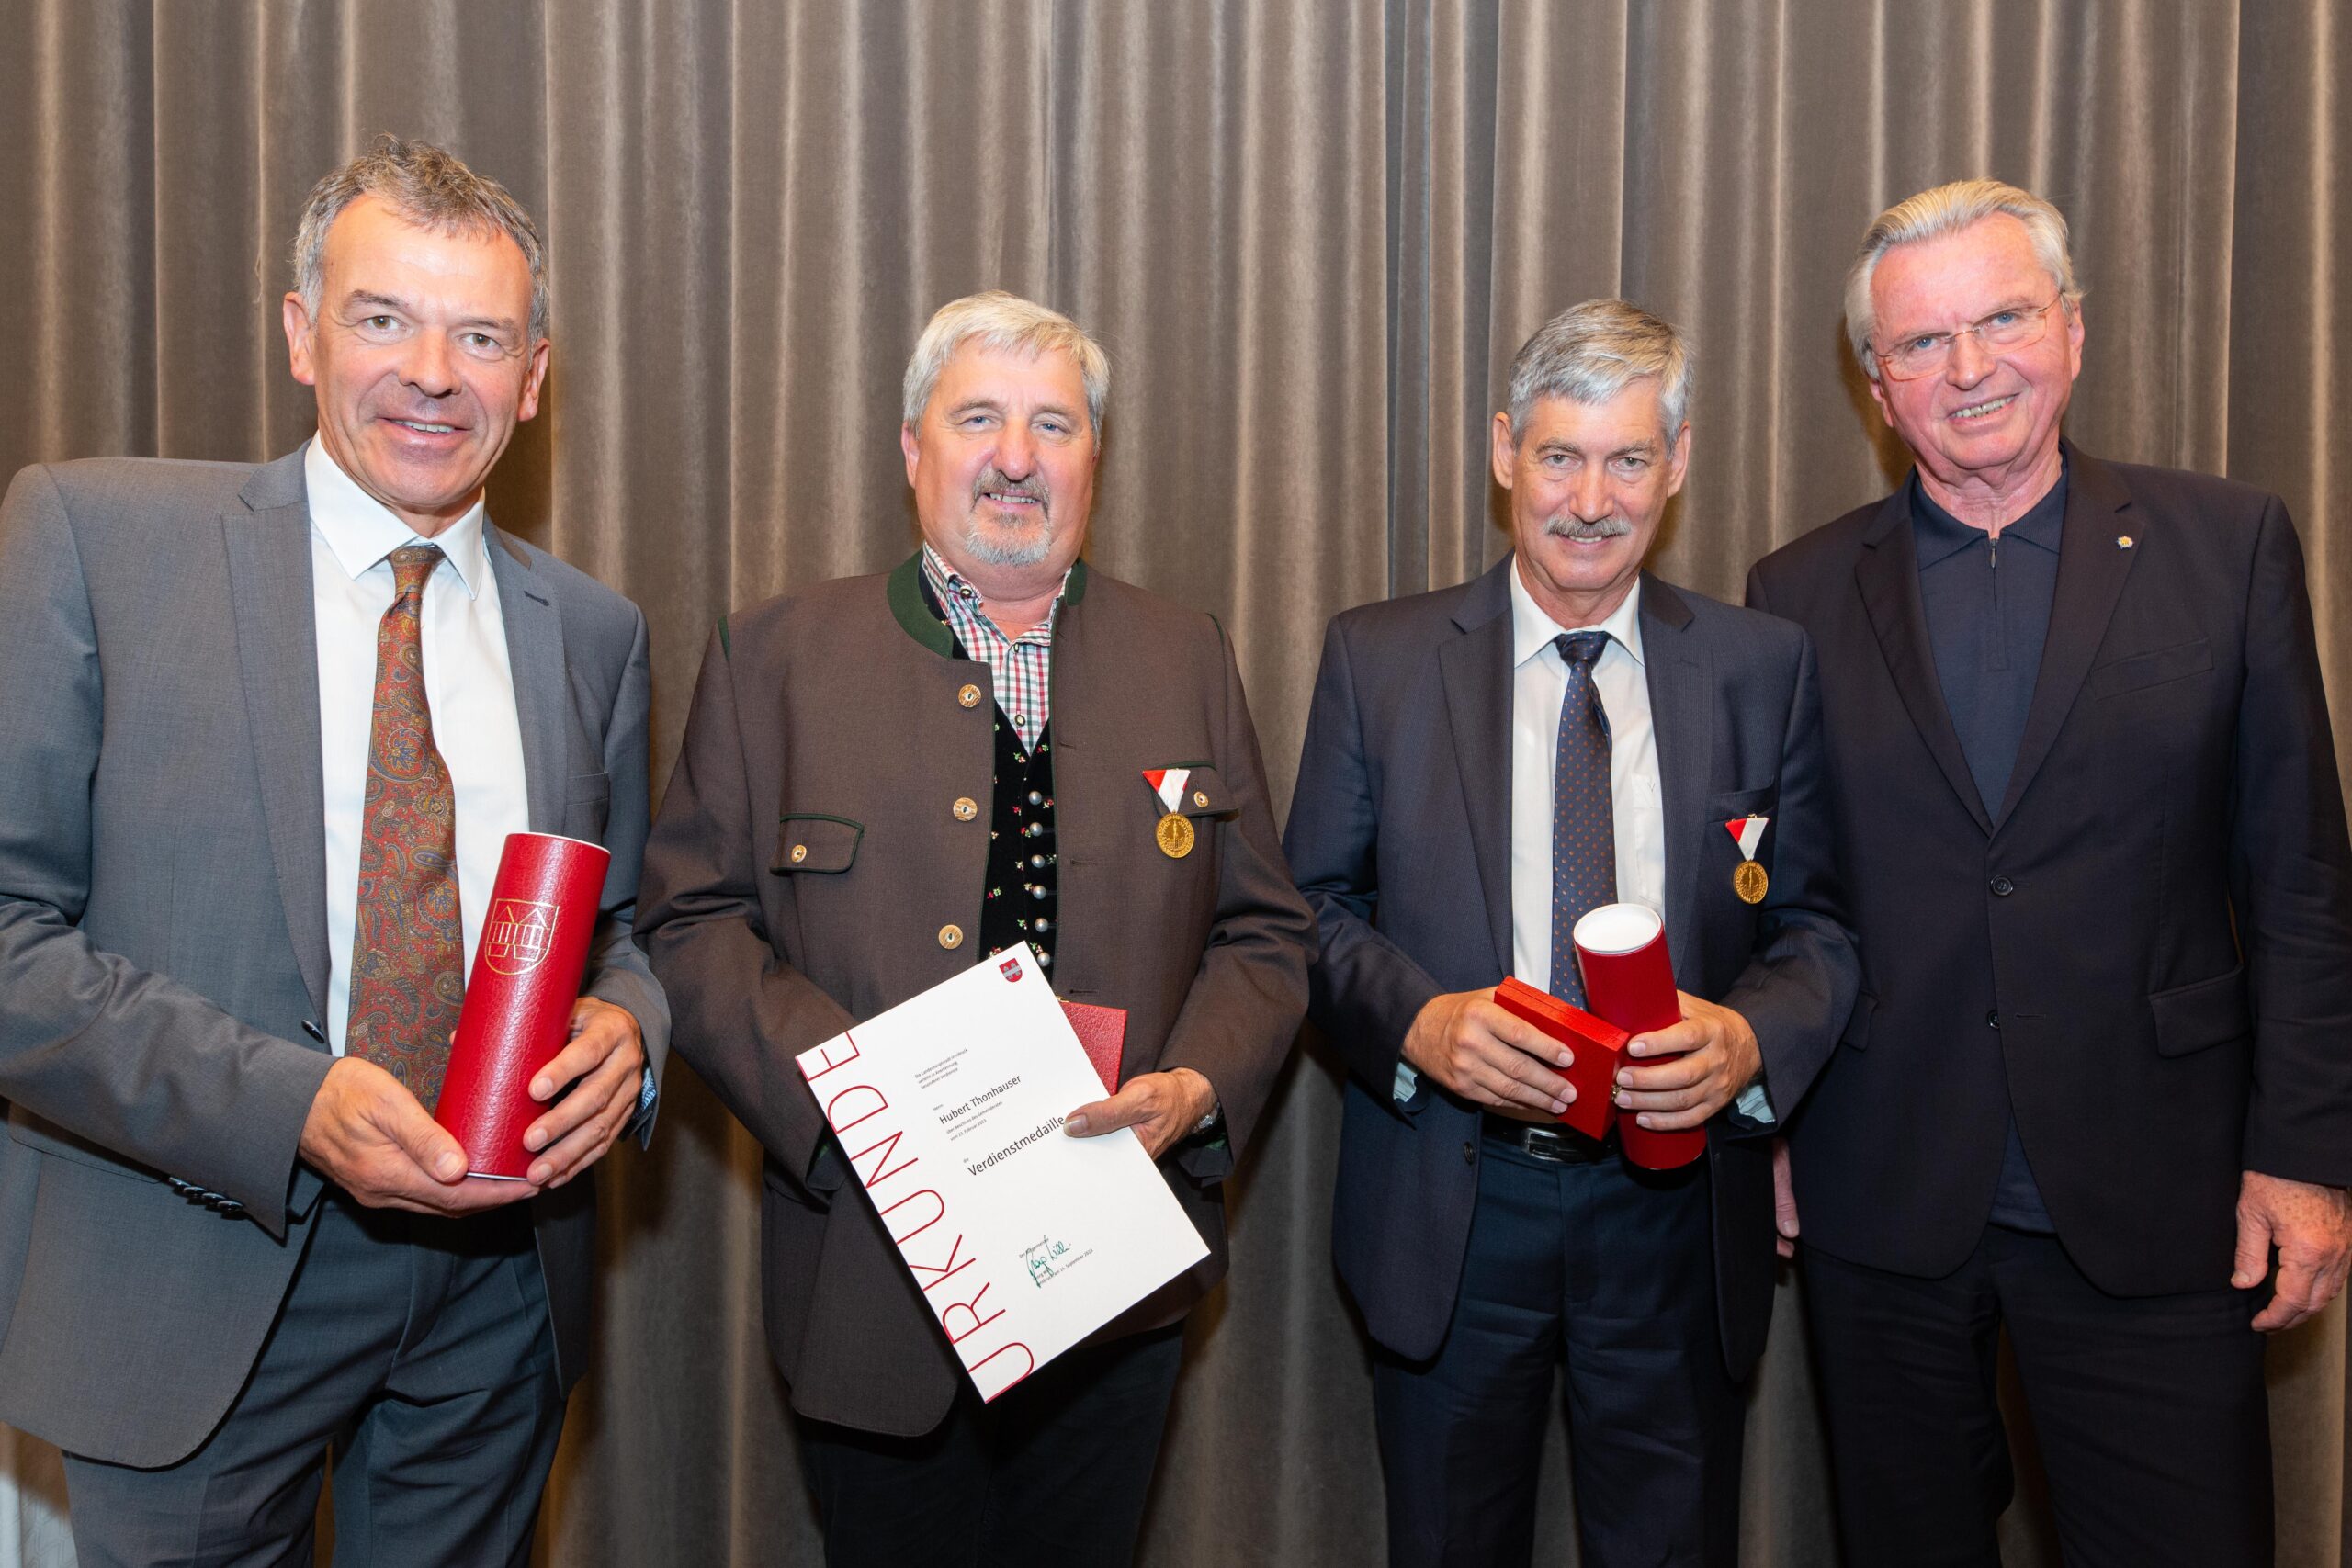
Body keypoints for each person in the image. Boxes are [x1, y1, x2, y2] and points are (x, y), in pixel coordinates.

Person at [0, 137, 665, 1565]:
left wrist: (633, 1028)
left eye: (481, 335)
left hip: (498, 1303)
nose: (434, 371)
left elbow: (620, 927)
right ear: (301, 332)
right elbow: (7, 939)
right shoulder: (97, 541)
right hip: (196, 1271)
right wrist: (290, 1104)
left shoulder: (594, 635)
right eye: (385, 317)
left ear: (534, 376)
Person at [636, 290, 1313, 1568]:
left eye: (1053, 424)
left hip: (1115, 1273)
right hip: (872, 1281)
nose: (1016, 457)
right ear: (911, 448)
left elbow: (1265, 933)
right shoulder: (774, 657)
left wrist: (1198, 1086)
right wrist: (849, 1102)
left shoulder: (1188, 655)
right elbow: (690, 918)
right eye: (981, 418)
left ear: (1092, 459)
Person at [1747, 177, 2352, 1567]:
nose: (1970, 368)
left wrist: (2307, 1155)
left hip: (2164, 1194)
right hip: (1883, 1190)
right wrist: (1772, 1116)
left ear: (2072, 332)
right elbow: (1789, 900)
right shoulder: (1796, 593)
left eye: (2004, 317)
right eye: (1921, 343)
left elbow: (2302, 879)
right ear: (1877, 385)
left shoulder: (2227, 545)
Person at [1284, 299, 1856, 1567]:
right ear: (1502, 453)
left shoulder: (1765, 667)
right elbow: (1306, 913)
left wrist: (1750, 1043)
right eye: (1559, 456)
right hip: (1455, 1203)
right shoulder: (1380, 661)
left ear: (1680, 463)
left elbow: (1821, 929)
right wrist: (1422, 1025)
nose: (1591, 499)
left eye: (1628, 459)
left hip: (1674, 1219)